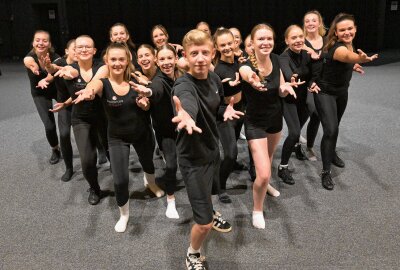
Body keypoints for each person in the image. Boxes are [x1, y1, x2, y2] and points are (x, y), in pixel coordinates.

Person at [172, 29, 243, 270]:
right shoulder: (183, 85)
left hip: (212, 151)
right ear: (185, 56)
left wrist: (225, 112)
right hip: (192, 160)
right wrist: (186, 115)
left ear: (213, 53)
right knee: (202, 224)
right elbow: (187, 103)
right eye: (194, 53)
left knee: (209, 197)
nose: (200, 58)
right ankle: (192, 254)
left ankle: (211, 212)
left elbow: (215, 109)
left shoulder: (213, 80)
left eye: (204, 52)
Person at [74, 42, 164, 232]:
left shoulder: (136, 80)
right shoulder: (103, 83)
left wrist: (144, 105)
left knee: (148, 162)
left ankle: (152, 184)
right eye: (113, 59)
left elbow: (148, 104)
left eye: (121, 59)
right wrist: (89, 92)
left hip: (142, 133)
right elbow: (93, 87)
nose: (117, 63)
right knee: (120, 180)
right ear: (106, 61)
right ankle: (124, 214)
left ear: (127, 60)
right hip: (117, 138)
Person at [239, 24, 298, 229]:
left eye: (269, 39)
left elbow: (280, 90)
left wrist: (285, 88)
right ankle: (257, 209)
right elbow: (246, 73)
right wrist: (253, 80)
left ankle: (266, 186)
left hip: (275, 119)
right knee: (263, 172)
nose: (266, 43)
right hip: (255, 123)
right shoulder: (246, 64)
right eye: (261, 39)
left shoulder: (276, 59)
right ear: (252, 43)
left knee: (269, 159)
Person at [311, 13, 377, 190]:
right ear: (336, 32)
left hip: (341, 92)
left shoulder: (349, 43)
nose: (347, 32)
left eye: (350, 28)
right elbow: (347, 57)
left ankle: (331, 153)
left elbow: (346, 61)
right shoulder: (339, 48)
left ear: (355, 28)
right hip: (325, 93)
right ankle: (326, 172)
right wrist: (359, 59)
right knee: (330, 129)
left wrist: (353, 66)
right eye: (342, 30)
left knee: (335, 126)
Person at [50, 35, 110, 205]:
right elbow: (71, 74)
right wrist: (66, 102)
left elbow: (98, 80)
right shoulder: (70, 69)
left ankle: (120, 182)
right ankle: (94, 188)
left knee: (112, 152)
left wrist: (89, 90)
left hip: (103, 118)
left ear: (94, 51)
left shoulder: (102, 67)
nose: (84, 50)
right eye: (80, 47)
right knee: (87, 160)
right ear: (74, 51)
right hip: (80, 119)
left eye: (88, 47)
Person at [130, 44, 182, 219]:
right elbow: (156, 91)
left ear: (176, 59)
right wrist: (149, 92)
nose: (166, 62)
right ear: (157, 61)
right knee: (172, 165)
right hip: (166, 130)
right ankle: (171, 200)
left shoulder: (182, 75)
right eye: (162, 59)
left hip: (184, 127)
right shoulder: (158, 81)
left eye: (169, 58)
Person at [277, 25, 314, 185]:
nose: (298, 40)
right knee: (294, 132)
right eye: (294, 37)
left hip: (304, 99)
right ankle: (282, 167)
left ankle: (297, 146)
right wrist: (292, 78)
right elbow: (287, 73)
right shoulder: (283, 57)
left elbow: (314, 74)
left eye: (300, 37)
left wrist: (312, 82)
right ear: (287, 40)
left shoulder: (307, 54)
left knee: (301, 125)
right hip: (289, 100)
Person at [23, 30, 61, 165]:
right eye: (38, 40)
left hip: (56, 89)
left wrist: (46, 79)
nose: (41, 43)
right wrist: (34, 68)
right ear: (33, 42)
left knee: (75, 115)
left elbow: (52, 74)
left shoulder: (55, 56)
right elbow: (29, 62)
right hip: (39, 93)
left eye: (44, 40)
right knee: (49, 125)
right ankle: (55, 149)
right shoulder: (29, 56)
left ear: (49, 43)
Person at [45, 39, 77, 181]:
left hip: (81, 104)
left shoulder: (84, 64)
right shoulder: (60, 61)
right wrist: (48, 67)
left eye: (81, 48)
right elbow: (52, 68)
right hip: (63, 105)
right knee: (64, 135)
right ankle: (69, 168)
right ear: (66, 51)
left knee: (93, 132)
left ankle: (101, 150)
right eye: (75, 48)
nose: (78, 51)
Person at [302, 10, 327, 161]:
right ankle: (295, 139)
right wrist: (307, 49)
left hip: (324, 84)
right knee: (313, 112)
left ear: (319, 23)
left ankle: (309, 147)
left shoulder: (327, 40)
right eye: (307, 21)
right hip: (306, 84)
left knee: (314, 117)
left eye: (313, 20)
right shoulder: (300, 41)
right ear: (304, 24)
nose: (310, 23)